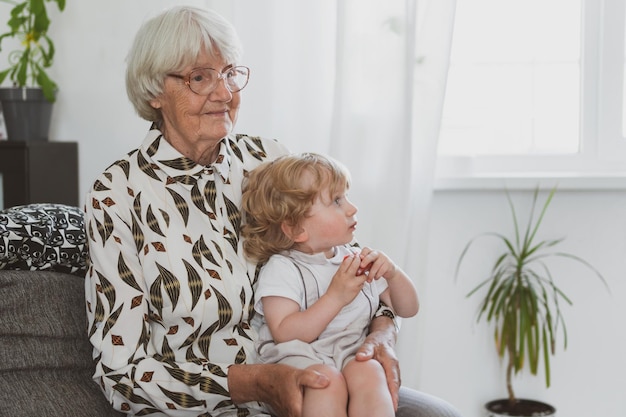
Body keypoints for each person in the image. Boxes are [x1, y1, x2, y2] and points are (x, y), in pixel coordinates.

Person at [84, 5, 462, 417]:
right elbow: (120, 375)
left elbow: (344, 261)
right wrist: (256, 382)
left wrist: (383, 332)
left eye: (230, 73)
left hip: (324, 378)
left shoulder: (268, 160)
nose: (225, 92)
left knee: (439, 413)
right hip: (210, 405)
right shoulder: (117, 195)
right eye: (199, 77)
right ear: (155, 91)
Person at [241, 153, 419, 417]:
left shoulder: (355, 258)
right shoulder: (283, 268)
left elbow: (408, 308)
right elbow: (284, 332)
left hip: (349, 354)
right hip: (300, 359)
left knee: (370, 372)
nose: (351, 208)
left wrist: (393, 273)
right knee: (326, 383)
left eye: (345, 197)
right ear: (296, 228)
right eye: (336, 201)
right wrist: (336, 297)